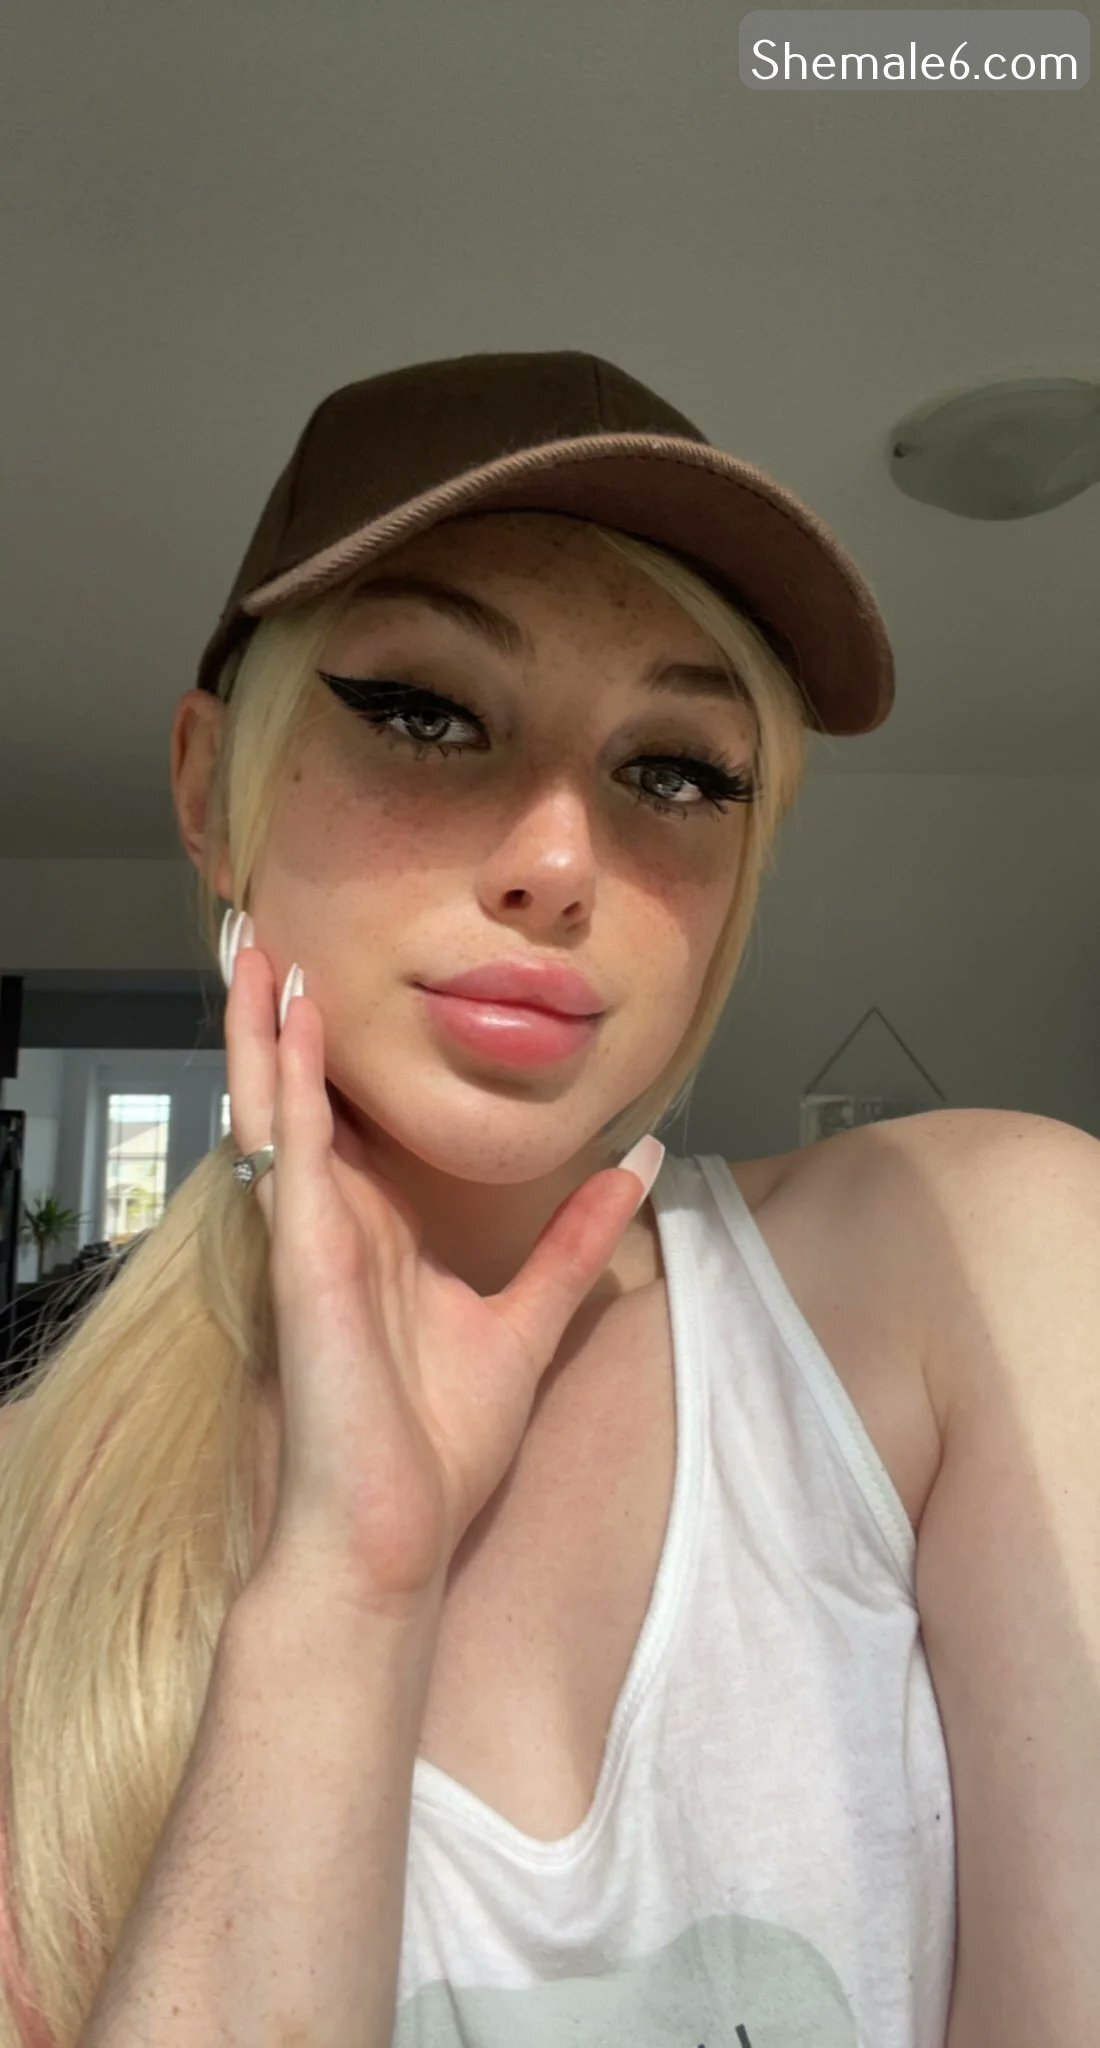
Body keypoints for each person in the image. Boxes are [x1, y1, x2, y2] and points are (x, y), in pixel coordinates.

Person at [0, 349, 959, 2045]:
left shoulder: (971, 1279)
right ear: (210, 789)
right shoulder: (29, 1518)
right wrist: (350, 1588)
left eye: (677, 771)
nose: (560, 864)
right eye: (427, 713)